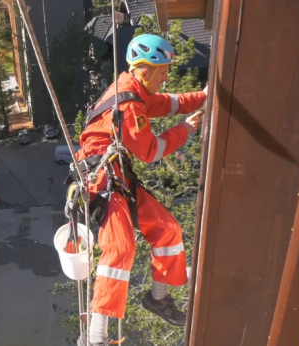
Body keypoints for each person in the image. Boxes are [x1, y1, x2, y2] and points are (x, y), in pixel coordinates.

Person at [76, 34, 206, 345]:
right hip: (102, 180)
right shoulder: (130, 103)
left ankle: (158, 298)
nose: (166, 78)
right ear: (145, 71)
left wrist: (203, 95)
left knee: (167, 229)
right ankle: (96, 337)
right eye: (163, 73)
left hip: (117, 176)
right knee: (120, 250)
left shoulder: (134, 88)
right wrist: (186, 129)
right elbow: (151, 151)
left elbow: (168, 103)